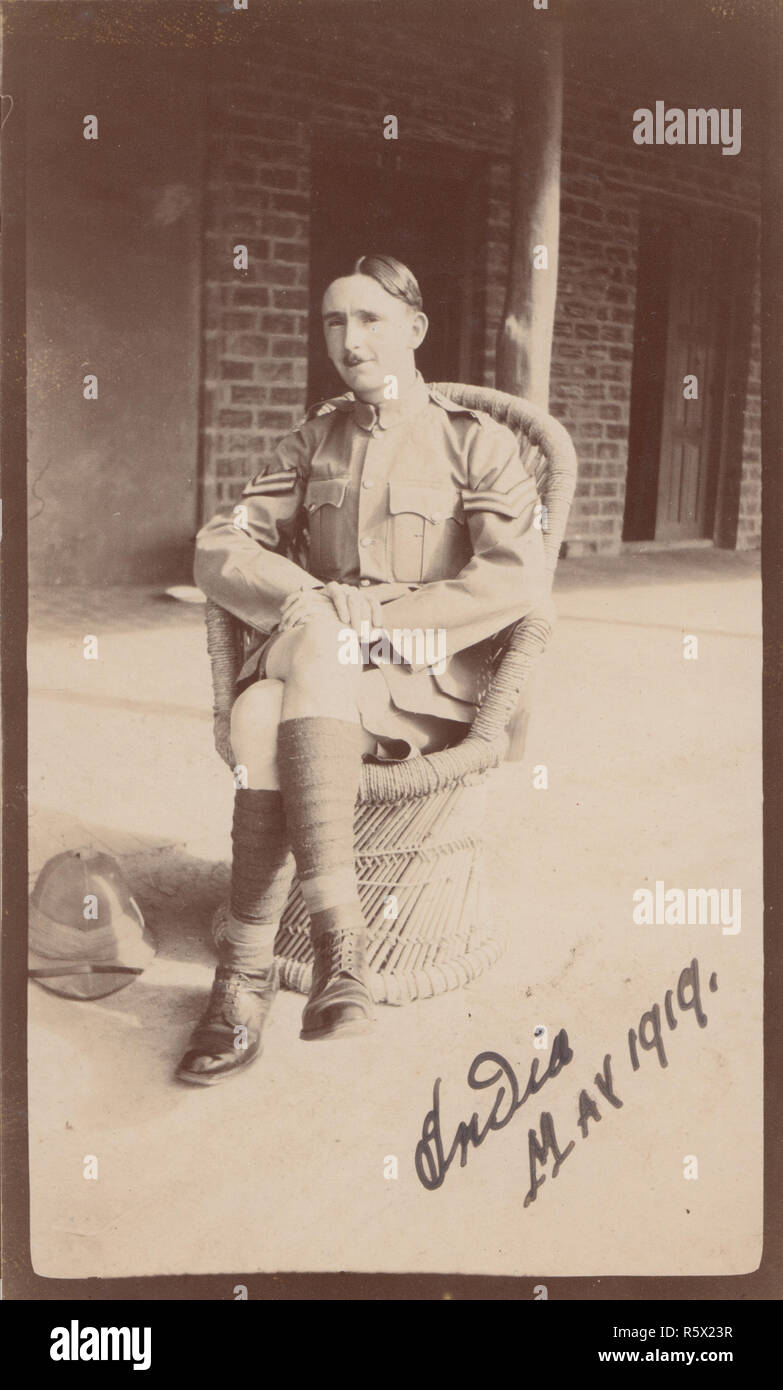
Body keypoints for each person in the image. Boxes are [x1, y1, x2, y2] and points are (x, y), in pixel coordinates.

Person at [177, 253, 551, 1085]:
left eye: (370, 319)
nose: (350, 339)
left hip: (422, 680)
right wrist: (307, 596)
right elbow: (220, 542)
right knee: (270, 696)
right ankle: (339, 961)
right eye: (334, 321)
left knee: (270, 699)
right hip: (325, 676)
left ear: (414, 330)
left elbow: (515, 576)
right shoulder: (313, 438)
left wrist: (373, 620)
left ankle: (244, 978)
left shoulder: (474, 443)